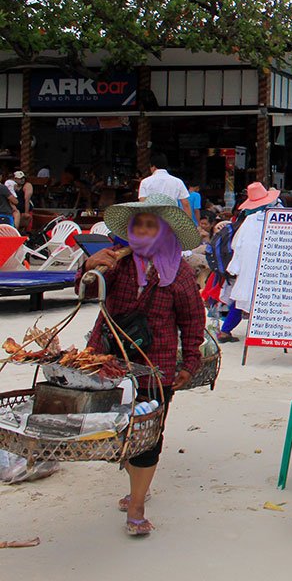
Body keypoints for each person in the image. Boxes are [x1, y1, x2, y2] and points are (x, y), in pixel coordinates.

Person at [79, 194, 205, 537]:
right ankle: (138, 483)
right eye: (139, 225)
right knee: (120, 428)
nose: (144, 230)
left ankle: (136, 506)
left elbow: (193, 320)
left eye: (151, 225)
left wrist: (190, 361)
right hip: (110, 359)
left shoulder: (178, 272)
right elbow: (85, 293)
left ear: (164, 231)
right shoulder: (115, 262)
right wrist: (90, 268)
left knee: (148, 433)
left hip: (157, 364)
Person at [219, 182, 281, 342]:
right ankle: (266, 332)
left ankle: (225, 331)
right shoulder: (274, 219)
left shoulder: (249, 221)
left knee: (242, 299)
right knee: (268, 299)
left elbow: (235, 244)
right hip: (269, 266)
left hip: (247, 267)